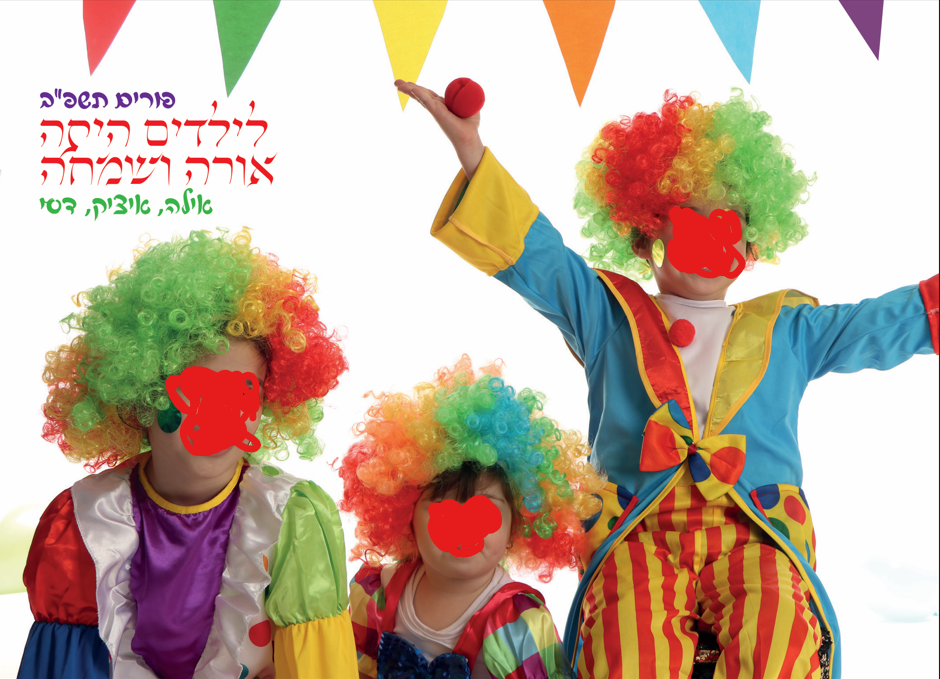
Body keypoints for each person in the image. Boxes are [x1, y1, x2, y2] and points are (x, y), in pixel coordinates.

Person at [393, 81, 939, 679]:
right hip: (638, 532)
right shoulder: (607, 315)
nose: (708, 235)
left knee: (778, 633)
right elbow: (540, 259)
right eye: (687, 219)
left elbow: (882, 323)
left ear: (752, 243)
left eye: (725, 222)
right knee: (628, 642)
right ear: (647, 235)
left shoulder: (789, 329)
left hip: (756, 534)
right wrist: (472, 152)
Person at [19, 228, 358, 678]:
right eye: (198, 394)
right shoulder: (82, 522)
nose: (220, 419)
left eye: (242, 395)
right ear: (140, 398)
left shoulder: (292, 519)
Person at [339, 355, 605, 679]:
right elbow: (351, 668)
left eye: (483, 511)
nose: (463, 527)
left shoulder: (516, 621)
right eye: (443, 507)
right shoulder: (378, 591)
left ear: (515, 527)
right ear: (406, 515)